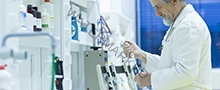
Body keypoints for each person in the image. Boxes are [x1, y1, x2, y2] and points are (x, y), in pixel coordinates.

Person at [123, 0, 212, 89]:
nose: (157, 13)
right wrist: (142, 55)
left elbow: (185, 72)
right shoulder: (179, 24)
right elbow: (169, 65)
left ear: (174, 1)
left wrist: (150, 79)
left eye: (159, 7)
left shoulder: (189, 26)